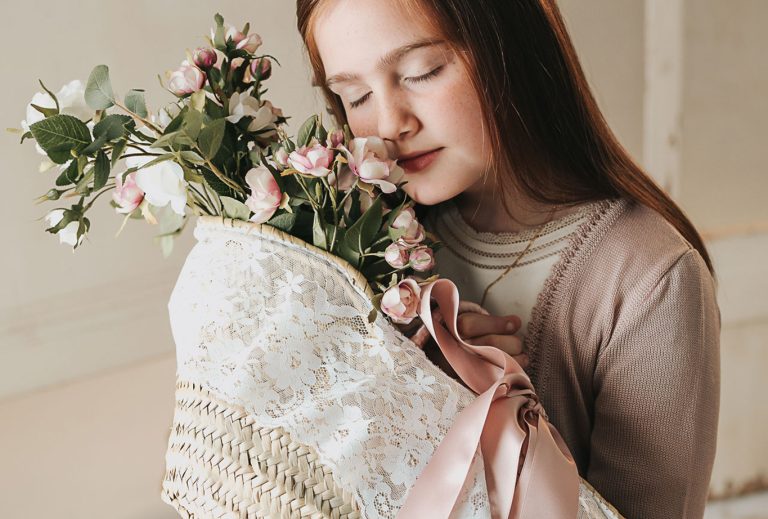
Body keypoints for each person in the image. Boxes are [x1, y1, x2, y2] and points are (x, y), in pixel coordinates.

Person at [296, 0, 721, 517]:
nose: (388, 123)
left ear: (509, 44)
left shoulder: (649, 280)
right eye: (355, 95)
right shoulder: (357, 245)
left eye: (421, 72)